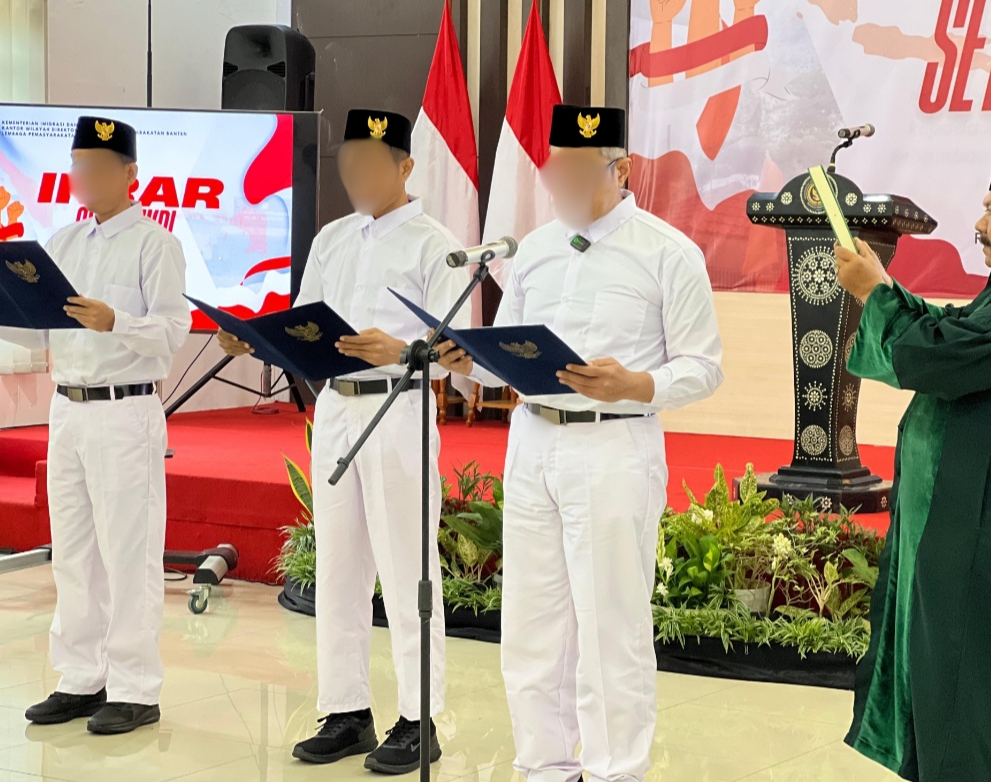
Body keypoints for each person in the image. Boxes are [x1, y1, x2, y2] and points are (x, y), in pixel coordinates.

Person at [437, 104, 724, 782]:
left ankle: (616, 770)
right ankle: (545, 766)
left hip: (612, 446)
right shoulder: (534, 250)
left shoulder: (669, 252)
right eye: (554, 170)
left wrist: (637, 383)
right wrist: (469, 359)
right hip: (533, 442)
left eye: (577, 171)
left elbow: (704, 367)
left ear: (621, 171)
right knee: (532, 623)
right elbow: (508, 357)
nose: (559, 184)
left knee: (609, 626)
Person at [217, 109, 468, 775]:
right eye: (348, 163)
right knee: (339, 566)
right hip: (335, 409)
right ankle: (346, 710)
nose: (355, 175)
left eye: (370, 164)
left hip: (397, 407)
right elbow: (305, 325)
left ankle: (419, 717)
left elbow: (456, 351)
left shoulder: (436, 245)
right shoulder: (331, 238)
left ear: (405, 166)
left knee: (407, 567)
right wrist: (255, 340)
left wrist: (404, 349)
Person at [835, 151, 991, 782]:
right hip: (966, 534)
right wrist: (886, 288)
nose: (979, 224)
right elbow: (949, 328)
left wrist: (874, 293)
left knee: (979, 703)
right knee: (948, 697)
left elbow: (947, 355)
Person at [0, 116, 190, 734]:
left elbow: (171, 333)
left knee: (128, 554)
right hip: (67, 409)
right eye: (78, 165)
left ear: (130, 174)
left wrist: (115, 321)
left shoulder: (156, 244)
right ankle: (80, 677)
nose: (84, 176)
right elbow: (40, 329)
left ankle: (135, 688)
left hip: (125, 411)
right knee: (73, 552)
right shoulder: (64, 242)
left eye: (97, 167)